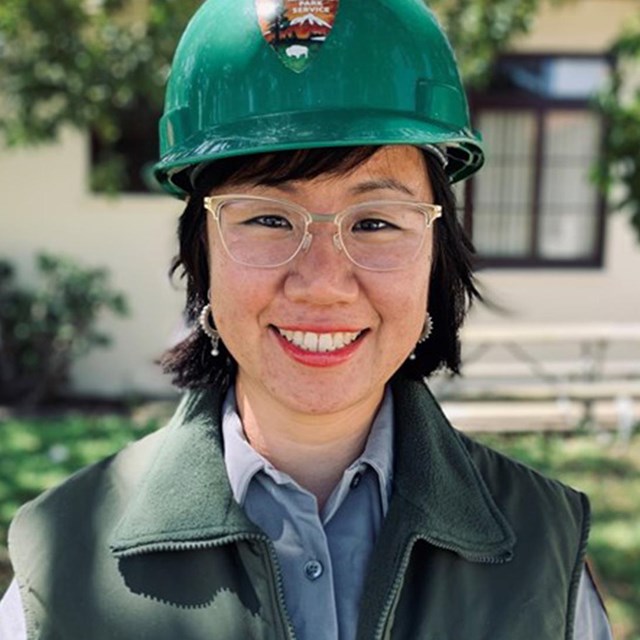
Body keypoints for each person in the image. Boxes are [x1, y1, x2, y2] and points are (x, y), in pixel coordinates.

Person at [1, 0, 613, 638]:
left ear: (437, 254)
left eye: (375, 222)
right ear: (200, 250)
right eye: (268, 218)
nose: (322, 283)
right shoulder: (65, 568)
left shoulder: (546, 548)